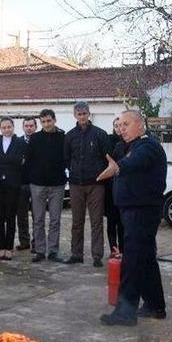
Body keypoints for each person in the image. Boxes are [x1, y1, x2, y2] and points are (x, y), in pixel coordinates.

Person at [97, 110, 167, 326]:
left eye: (126, 124)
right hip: (134, 210)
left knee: (132, 261)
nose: (122, 128)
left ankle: (126, 312)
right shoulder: (132, 146)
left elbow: (134, 163)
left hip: (142, 212)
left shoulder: (147, 146)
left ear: (140, 124)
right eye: (119, 125)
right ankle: (155, 306)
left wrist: (118, 167)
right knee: (145, 259)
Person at [64, 101, 111, 268]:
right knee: (77, 221)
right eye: (79, 114)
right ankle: (76, 254)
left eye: (84, 114)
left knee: (96, 221)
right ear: (75, 115)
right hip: (76, 184)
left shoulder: (100, 134)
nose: (82, 117)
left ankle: (97, 255)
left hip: (95, 184)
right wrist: (75, 171)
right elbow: (67, 158)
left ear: (89, 114)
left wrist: (98, 174)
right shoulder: (69, 136)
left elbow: (107, 158)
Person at [24, 109, 66, 263]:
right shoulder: (35, 138)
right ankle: (40, 250)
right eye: (43, 122)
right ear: (40, 123)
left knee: (55, 220)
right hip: (38, 185)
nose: (46, 124)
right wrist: (31, 179)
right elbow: (28, 160)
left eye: (49, 121)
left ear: (54, 120)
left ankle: (53, 251)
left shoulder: (63, 137)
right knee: (38, 219)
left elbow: (66, 157)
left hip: (57, 185)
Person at [0, 117, 28, 260]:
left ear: (13, 127)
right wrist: (11, 160)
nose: (7, 130)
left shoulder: (20, 142)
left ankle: (9, 248)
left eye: (9, 127)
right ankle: (1, 247)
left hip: (13, 183)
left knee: (11, 216)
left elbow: (20, 161)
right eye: (4, 127)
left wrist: (6, 160)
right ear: (0, 128)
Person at [105, 117, 126, 255]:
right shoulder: (108, 141)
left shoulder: (129, 142)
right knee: (111, 221)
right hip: (110, 186)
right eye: (116, 125)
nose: (118, 128)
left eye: (121, 125)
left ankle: (123, 249)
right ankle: (113, 248)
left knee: (122, 222)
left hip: (124, 186)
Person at [16, 117, 37, 252]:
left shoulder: (40, 140)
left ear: (35, 127)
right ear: (23, 127)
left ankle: (37, 243)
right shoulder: (17, 142)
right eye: (26, 126)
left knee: (37, 215)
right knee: (21, 215)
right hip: (21, 183)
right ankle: (24, 242)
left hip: (36, 183)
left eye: (31, 126)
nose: (29, 128)